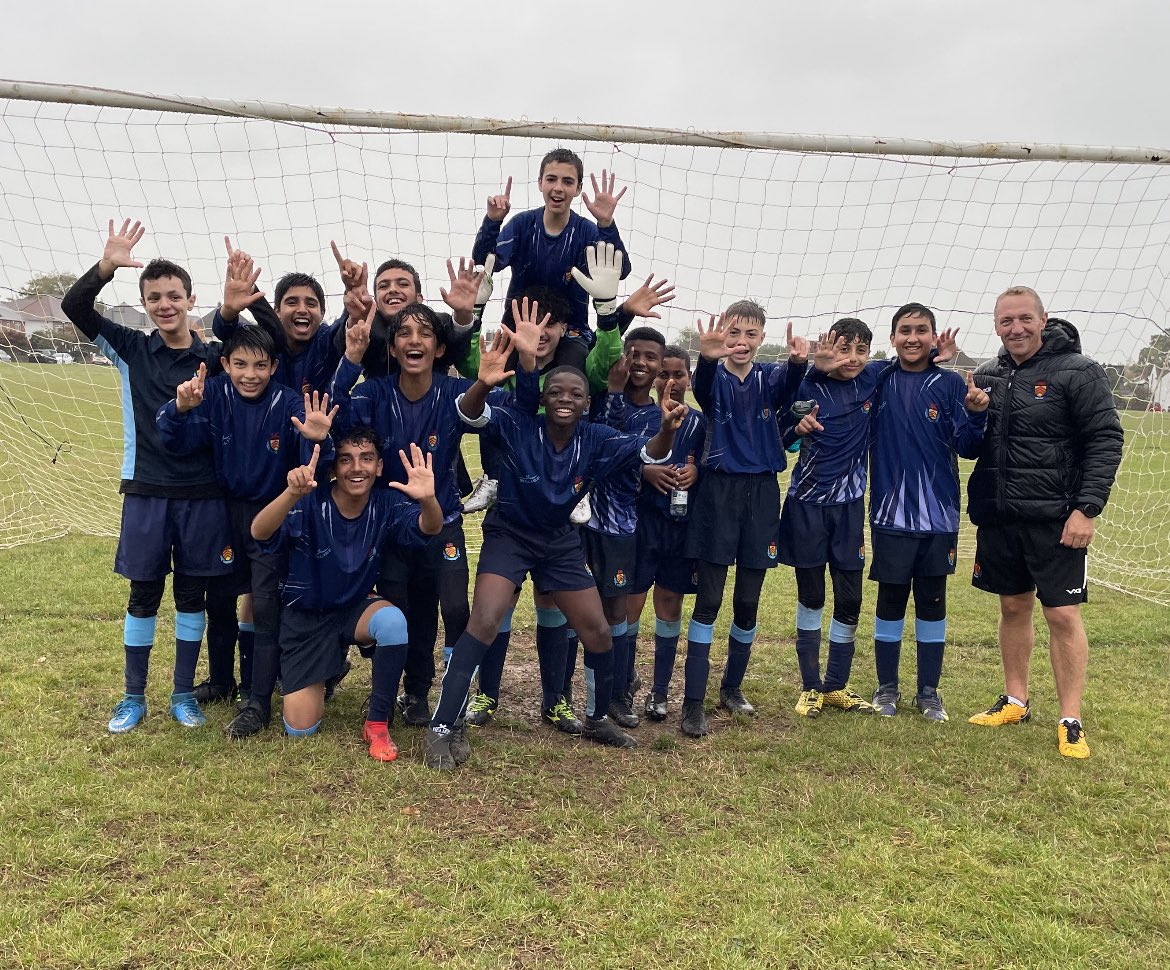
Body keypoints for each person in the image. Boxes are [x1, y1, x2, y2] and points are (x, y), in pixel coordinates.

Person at [425, 327, 686, 769]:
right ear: (544, 398)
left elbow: (650, 454)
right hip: (509, 534)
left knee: (598, 631)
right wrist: (484, 383)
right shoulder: (516, 422)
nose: (565, 397)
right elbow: (469, 414)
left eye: (576, 393)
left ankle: (598, 717)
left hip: (560, 542)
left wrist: (666, 429)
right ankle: (442, 726)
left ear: (587, 402)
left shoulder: (597, 437)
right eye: (557, 391)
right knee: (485, 619)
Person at [60, 218, 237, 733]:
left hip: (202, 495)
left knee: (190, 595)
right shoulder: (130, 349)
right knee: (143, 595)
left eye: (174, 295)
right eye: (155, 297)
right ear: (144, 302)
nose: (165, 304)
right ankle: (132, 696)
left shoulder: (213, 359)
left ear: (189, 298)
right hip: (146, 492)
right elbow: (75, 308)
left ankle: (183, 694)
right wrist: (106, 266)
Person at [328, 300, 519, 726]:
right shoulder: (375, 392)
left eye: (425, 333)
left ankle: (447, 702)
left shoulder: (454, 393)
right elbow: (334, 420)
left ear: (437, 348)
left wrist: (494, 378)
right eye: (404, 334)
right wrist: (351, 360)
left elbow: (496, 410)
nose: (414, 341)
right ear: (393, 348)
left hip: (443, 521)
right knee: (400, 611)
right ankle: (407, 693)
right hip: (391, 526)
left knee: (452, 610)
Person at [156, 317, 338, 739]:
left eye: (259, 366)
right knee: (219, 596)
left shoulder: (290, 402)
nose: (250, 375)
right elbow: (175, 440)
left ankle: (258, 700)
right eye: (240, 365)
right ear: (226, 363)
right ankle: (222, 680)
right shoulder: (213, 393)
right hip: (222, 511)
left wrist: (318, 440)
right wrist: (179, 408)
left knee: (264, 603)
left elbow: (313, 465)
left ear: (274, 367)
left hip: (270, 516)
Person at [966, 286, 1123, 759]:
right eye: (1006, 321)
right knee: (1013, 607)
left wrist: (1086, 508)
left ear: (1043, 319)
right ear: (996, 325)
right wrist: (973, 414)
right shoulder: (989, 376)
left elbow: (1105, 439)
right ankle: (1016, 699)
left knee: (1061, 614)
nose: (1015, 328)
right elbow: (973, 446)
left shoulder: (1079, 371)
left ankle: (1070, 717)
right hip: (1001, 516)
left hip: (1057, 519)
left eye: (1024, 319)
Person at [250, 430, 442, 760]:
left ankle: (378, 723)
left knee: (394, 622)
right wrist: (289, 495)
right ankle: (332, 667)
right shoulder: (311, 500)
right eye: (345, 459)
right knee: (299, 728)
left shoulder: (387, 502)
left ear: (379, 467)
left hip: (354, 608)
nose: (357, 468)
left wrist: (428, 499)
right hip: (306, 616)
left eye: (366, 458)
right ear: (334, 468)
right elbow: (259, 532)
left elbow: (430, 527)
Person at [682, 306, 809, 737]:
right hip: (718, 493)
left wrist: (797, 362)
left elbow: (791, 391)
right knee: (710, 600)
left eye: (749, 333)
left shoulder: (771, 376)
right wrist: (707, 356)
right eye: (733, 331)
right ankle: (692, 702)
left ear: (761, 338)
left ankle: (731, 688)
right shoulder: (714, 376)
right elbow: (700, 390)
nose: (740, 339)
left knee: (748, 601)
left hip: (762, 493)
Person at [866, 303, 987, 721]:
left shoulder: (951, 384)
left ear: (934, 337)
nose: (912, 337)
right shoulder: (879, 379)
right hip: (890, 514)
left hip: (939, 516)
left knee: (933, 601)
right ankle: (886, 689)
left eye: (921, 330)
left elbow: (969, 447)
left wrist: (976, 414)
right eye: (905, 330)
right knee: (891, 599)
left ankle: (929, 692)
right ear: (893, 337)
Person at [471, 148, 632, 371]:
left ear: (578, 189)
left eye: (567, 181)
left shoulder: (586, 231)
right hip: (518, 326)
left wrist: (606, 225)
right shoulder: (523, 224)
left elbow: (620, 269)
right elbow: (485, 264)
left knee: (570, 379)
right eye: (551, 179)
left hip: (572, 330)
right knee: (500, 378)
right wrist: (492, 222)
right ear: (540, 183)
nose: (558, 188)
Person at [624, 345, 707, 723]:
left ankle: (659, 691)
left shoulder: (701, 424)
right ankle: (624, 681)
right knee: (630, 604)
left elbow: (712, 467)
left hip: (681, 529)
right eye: (664, 375)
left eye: (679, 375)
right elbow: (619, 461)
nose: (671, 382)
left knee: (670, 604)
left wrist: (697, 475)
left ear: (690, 378)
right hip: (641, 523)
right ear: (654, 378)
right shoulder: (640, 416)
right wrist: (646, 473)